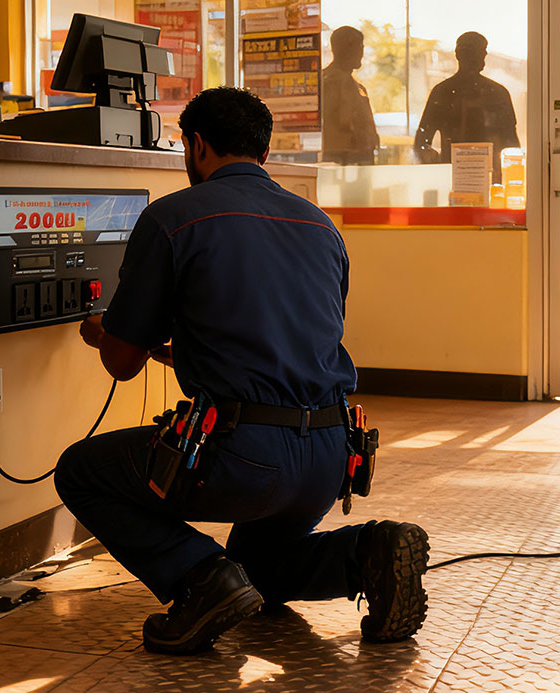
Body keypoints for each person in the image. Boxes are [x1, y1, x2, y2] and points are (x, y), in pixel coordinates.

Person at [54, 87, 429, 656]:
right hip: (330, 456)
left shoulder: (172, 218)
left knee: (81, 470)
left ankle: (198, 578)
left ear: (197, 145)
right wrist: (177, 349)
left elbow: (122, 364)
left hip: (242, 457)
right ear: (264, 148)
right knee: (259, 569)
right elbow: (280, 345)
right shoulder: (321, 226)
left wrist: (105, 332)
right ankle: (368, 553)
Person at [414, 31, 520, 182]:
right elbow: (422, 143)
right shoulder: (443, 93)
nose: (479, 56)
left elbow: (512, 146)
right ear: (459, 54)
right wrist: (439, 167)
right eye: (474, 51)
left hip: (487, 180)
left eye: (481, 51)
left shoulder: (497, 93)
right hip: (454, 179)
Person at [321, 26, 379, 165]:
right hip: (343, 163)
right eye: (360, 46)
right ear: (347, 48)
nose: (362, 53)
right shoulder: (331, 82)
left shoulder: (354, 84)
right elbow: (344, 123)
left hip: (357, 162)